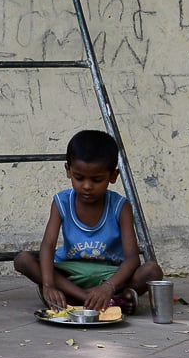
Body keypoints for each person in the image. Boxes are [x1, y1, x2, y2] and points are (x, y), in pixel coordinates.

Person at [13, 129, 163, 313]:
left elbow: (132, 259)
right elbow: (48, 245)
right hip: (71, 273)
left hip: (109, 274)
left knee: (152, 271)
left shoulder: (120, 206)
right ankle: (96, 299)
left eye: (97, 180)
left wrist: (108, 287)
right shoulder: (62, 202)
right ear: (68, 171)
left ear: (113, 176)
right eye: (79, 177)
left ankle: (77, 297)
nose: (87, 186)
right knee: (23, 260)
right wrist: (48, 284)